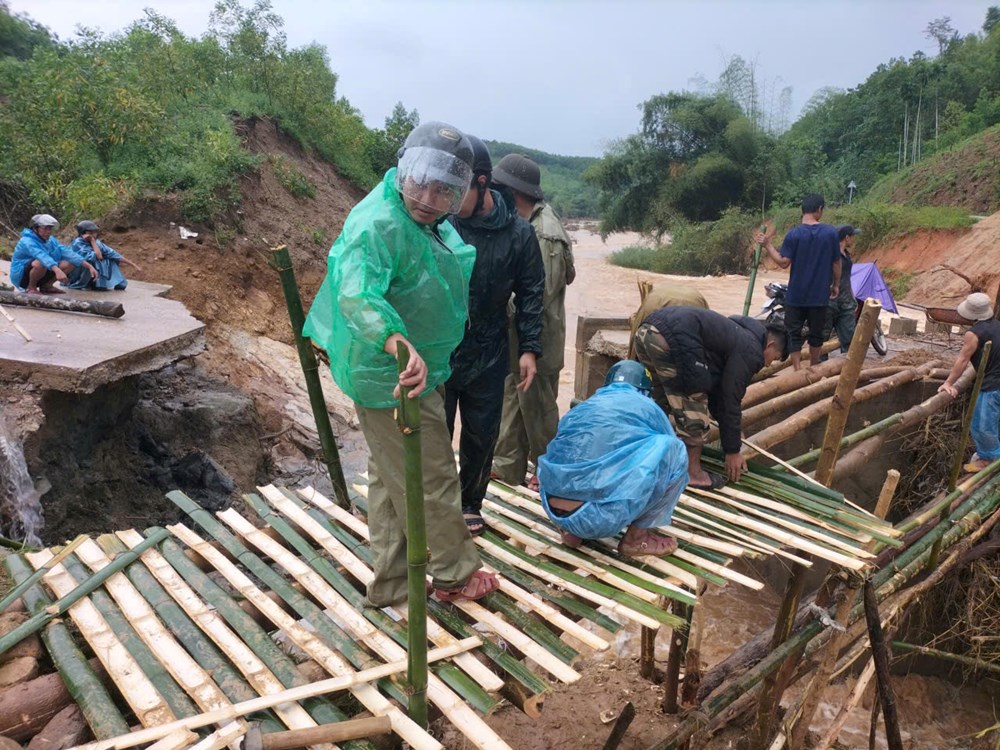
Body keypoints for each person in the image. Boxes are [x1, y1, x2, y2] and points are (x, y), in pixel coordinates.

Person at [303, 121, 498, 605]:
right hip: (392, 371)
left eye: (444, 189)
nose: (429, 197)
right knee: (429, 471)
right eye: (421, 182)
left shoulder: (422, 219)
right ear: (401, 170)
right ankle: (455, 573)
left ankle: (391, 582)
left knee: (390, 479)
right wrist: (396, 343)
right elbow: (358, 293)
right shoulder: (379, 224)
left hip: (410, 364)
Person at [445, 138, 545, 537]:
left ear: (483, 183)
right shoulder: (444, 225)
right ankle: (435, 503)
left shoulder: (519, 235)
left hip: (490, 345)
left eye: (457, 191)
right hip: (444, 343)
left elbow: (532, 294)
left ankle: (470, 502)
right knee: (436, 429)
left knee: (482, 432)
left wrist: (530, 350)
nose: (448, 200)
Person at [537, 360, 688, 556]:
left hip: (552, 509)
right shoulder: (647, 407)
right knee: (674, 449)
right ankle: (636, 538)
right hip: (601, 520)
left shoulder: (584, 407)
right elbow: (668, 459)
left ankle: (569, 530)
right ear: (645, 389)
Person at [490, 153, 576, 491]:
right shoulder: (526, 223)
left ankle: (550, 470)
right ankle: (506, 466)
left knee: (538, 409)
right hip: (519, 338)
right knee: (512, 400)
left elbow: (536, 296)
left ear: (513, 193)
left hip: (536, 340)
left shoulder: (544, 234)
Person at [633, 306, 786, 489]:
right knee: (693, 403)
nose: (768, 364)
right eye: (774, 358)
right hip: (671, 338)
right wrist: (732, 451)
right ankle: (693, 474)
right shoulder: (752, 351)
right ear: (770, 345)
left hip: (646, 331)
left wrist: (732, 434)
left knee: (660, 402)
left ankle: (640, 452)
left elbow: (718, 393)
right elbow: (730, 398)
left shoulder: (738, 333)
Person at [755, 194, 841, 370]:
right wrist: (836, 285)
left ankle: (796, 369)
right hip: (819, 295)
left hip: (796, 295)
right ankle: (814, 366)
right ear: (819, 209)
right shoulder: (830, 233)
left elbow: (783, 262)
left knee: (794, 333)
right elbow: (836, 263)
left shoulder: (794, 234)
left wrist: (768, 245)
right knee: (816, 334)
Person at [938, 292, 1000, 472]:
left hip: (991, 387)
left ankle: (990, 460)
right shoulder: (997, 325)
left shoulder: (973, 334)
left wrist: (949, 383)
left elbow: (963, 360)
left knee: (982, 425)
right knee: (994, 422)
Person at [11, 214, 96, 294]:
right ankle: (31, 288)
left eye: (50, 229)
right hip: (22, 276)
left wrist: (89, 266)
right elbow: (42, 256)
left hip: (43, 272)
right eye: (45, 229)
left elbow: (66, 252)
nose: (48, 232)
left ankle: (46, 286)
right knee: (40, 262)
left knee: (71, 262)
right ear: (35, 228)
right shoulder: (27, 241)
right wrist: (57, 270)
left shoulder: (50, 240)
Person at [67, 220, 142, 290]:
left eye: (95, 232)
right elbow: (97, 256)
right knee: (90, 262)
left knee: (110, 260)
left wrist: (133, 265)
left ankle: (103, 283)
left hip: (92, 269)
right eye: (91, 232)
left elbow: (113, 254)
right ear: (83, 233)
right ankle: (83, 284)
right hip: (79, 270)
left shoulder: (98, 243)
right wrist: (92, 241)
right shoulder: (78, 243)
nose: (94, 235)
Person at [821, 225, 861, 352]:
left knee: (849, 336)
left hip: (845, 301)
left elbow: (846, 278)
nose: (853, 240)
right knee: (822, 337)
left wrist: (852, 298)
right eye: (852, 236)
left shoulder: (847, 256)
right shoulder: (829, 255)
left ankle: (846, 366)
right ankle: (820, 368)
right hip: (829, 301)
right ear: (846, 237)